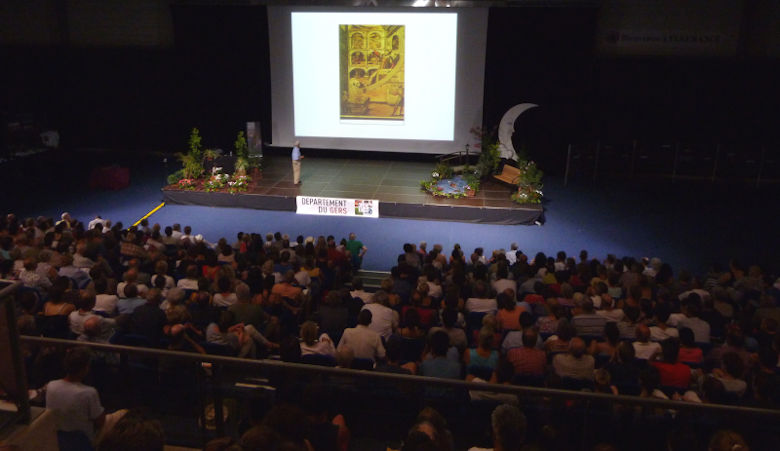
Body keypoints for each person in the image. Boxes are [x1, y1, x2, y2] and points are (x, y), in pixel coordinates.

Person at [46, 347, 125, 444]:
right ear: (85, 368)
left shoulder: (51, 385)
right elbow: (100, 422)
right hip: (82, 442)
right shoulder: (89, 393)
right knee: (121, 414)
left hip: (56, 439)